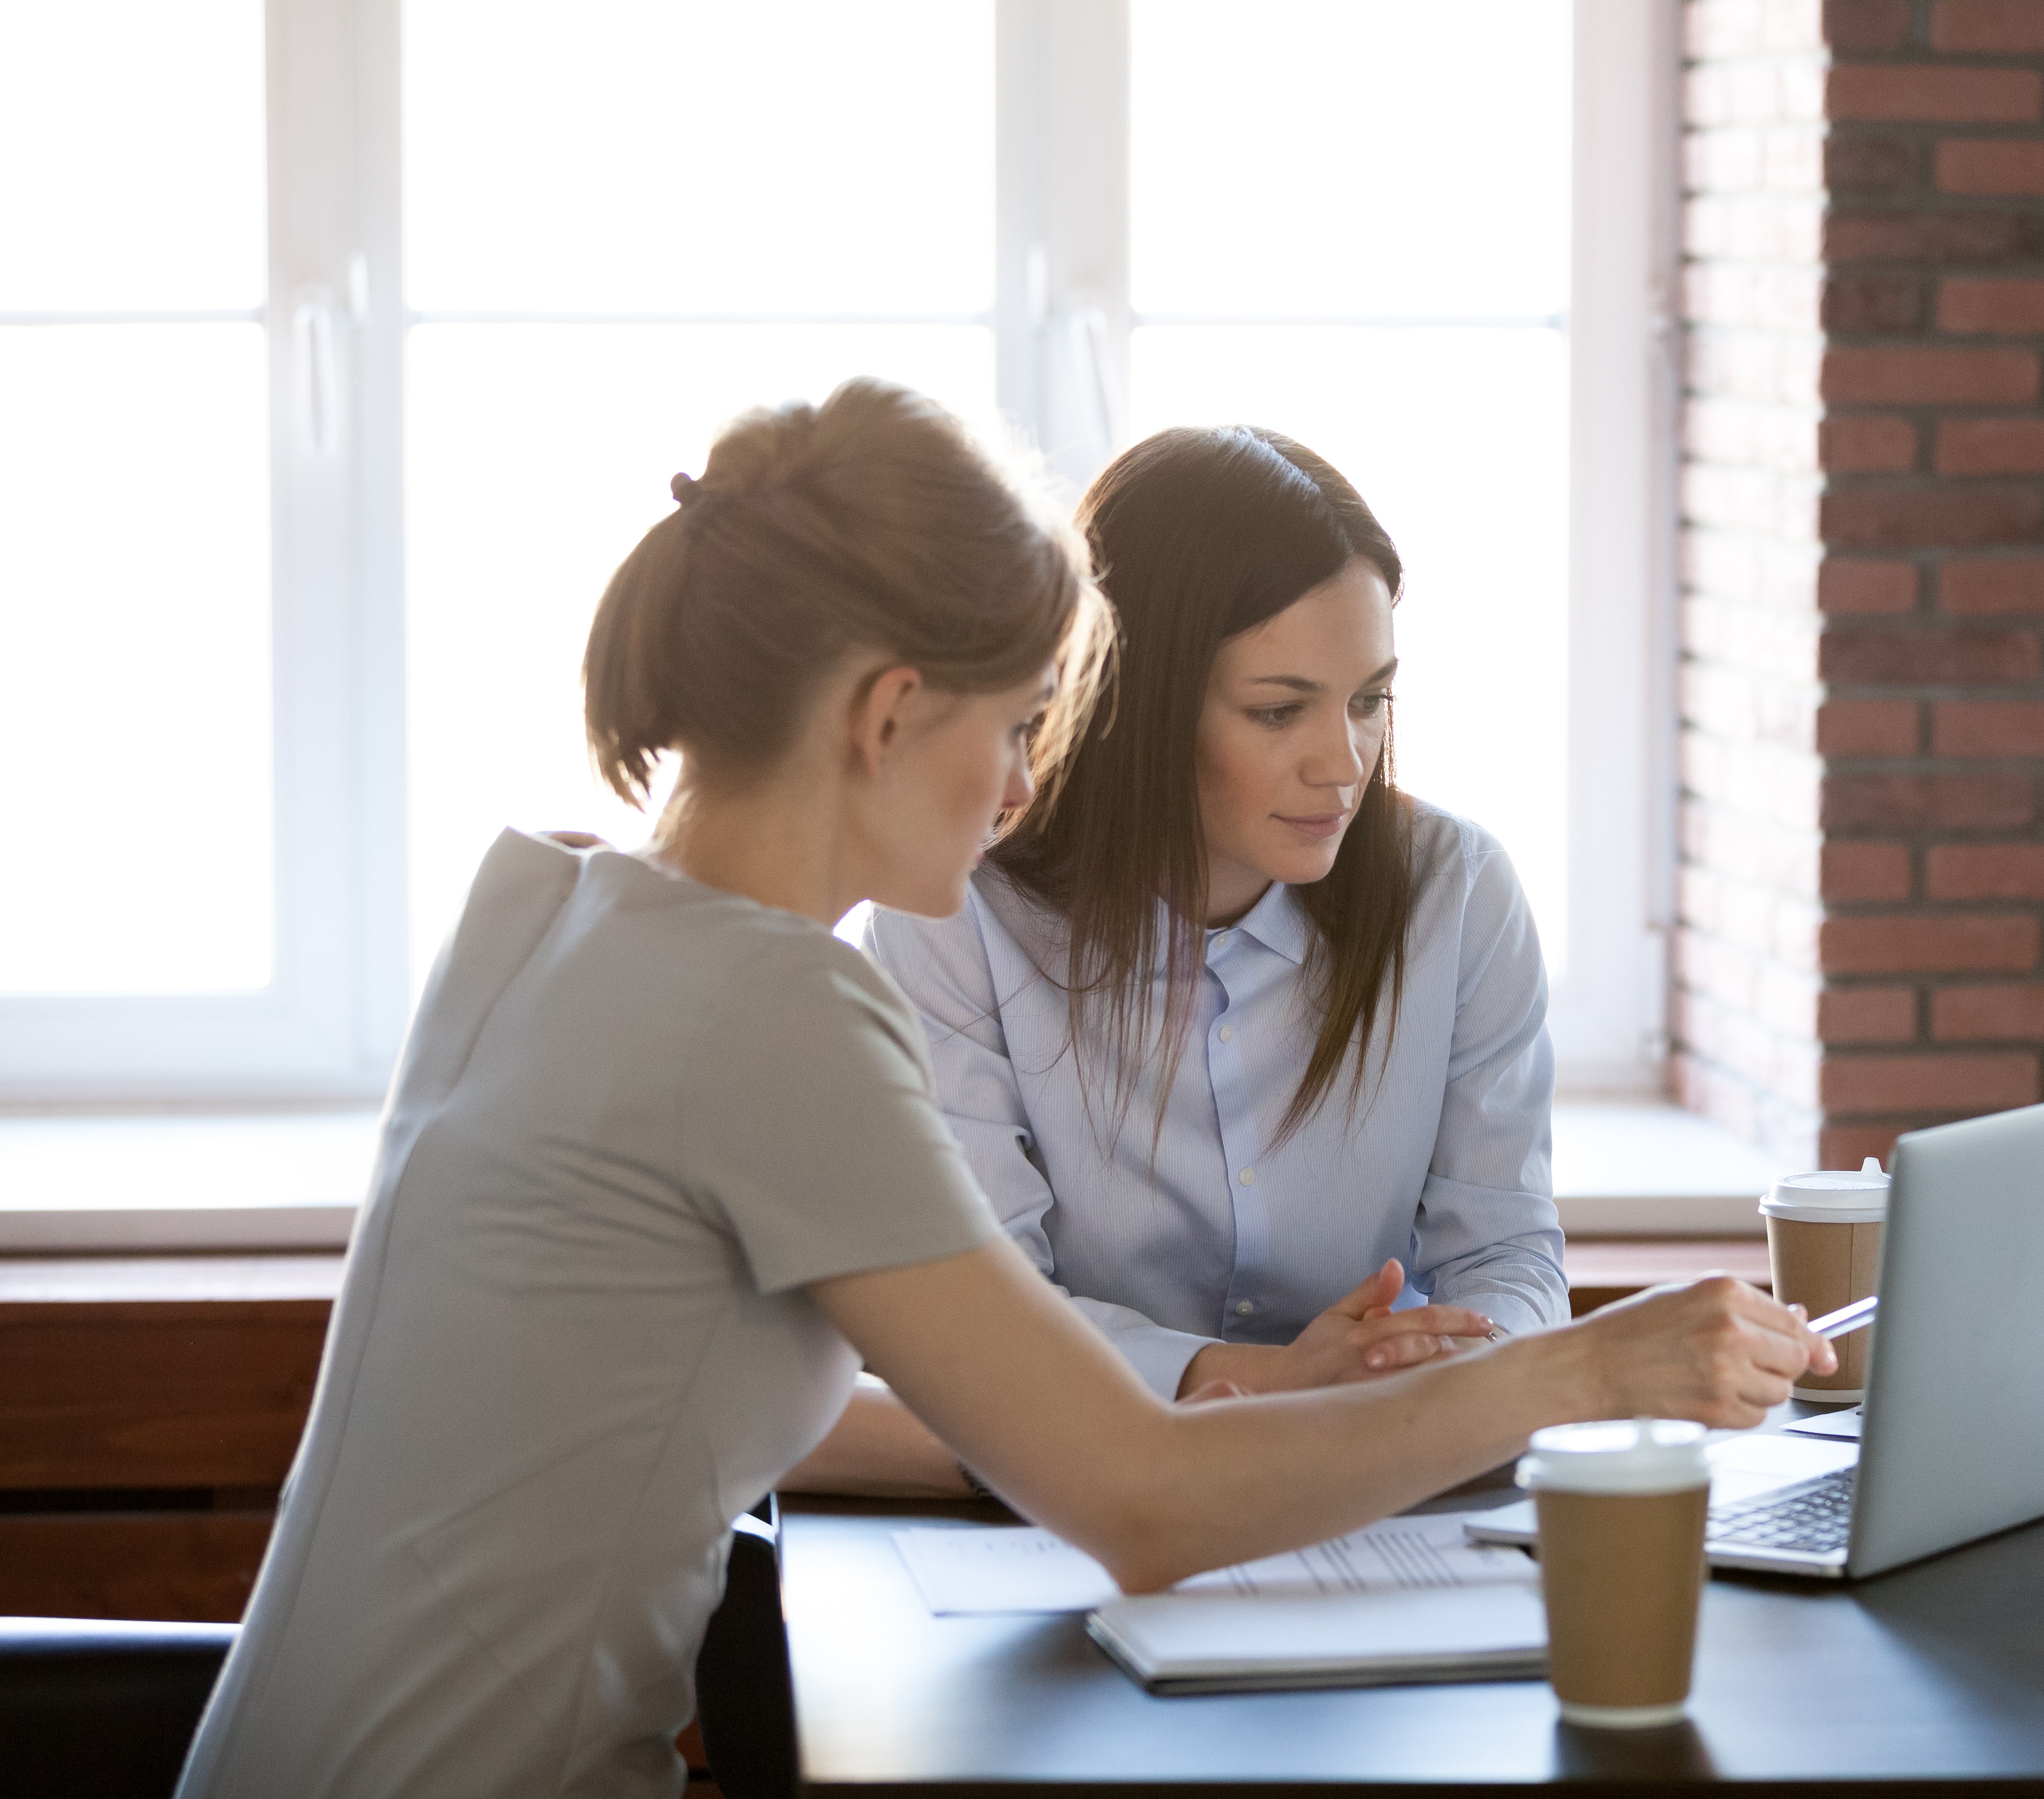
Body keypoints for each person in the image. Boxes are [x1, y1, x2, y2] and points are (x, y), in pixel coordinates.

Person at [175, 379, 1835, 1799]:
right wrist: (1581, 1364)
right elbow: (1136, 1505)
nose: (1032, 784)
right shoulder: (776, 1010)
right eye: (1024, 722)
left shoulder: (553, 905)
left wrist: (1249, 1395)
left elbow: (710, 1404)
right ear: (893, 714)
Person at [811, 426, 1555, 1492]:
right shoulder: (955, 909)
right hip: (1057, 1495)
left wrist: (1454, 1367)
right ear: (1134, 703)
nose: (1342, 763)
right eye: (1277, 708)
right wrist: (1267, 1382)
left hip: (1386, 1486)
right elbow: (980, 1309)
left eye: (1368, 700)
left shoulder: (1460, 892)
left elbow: (1510, 1248)